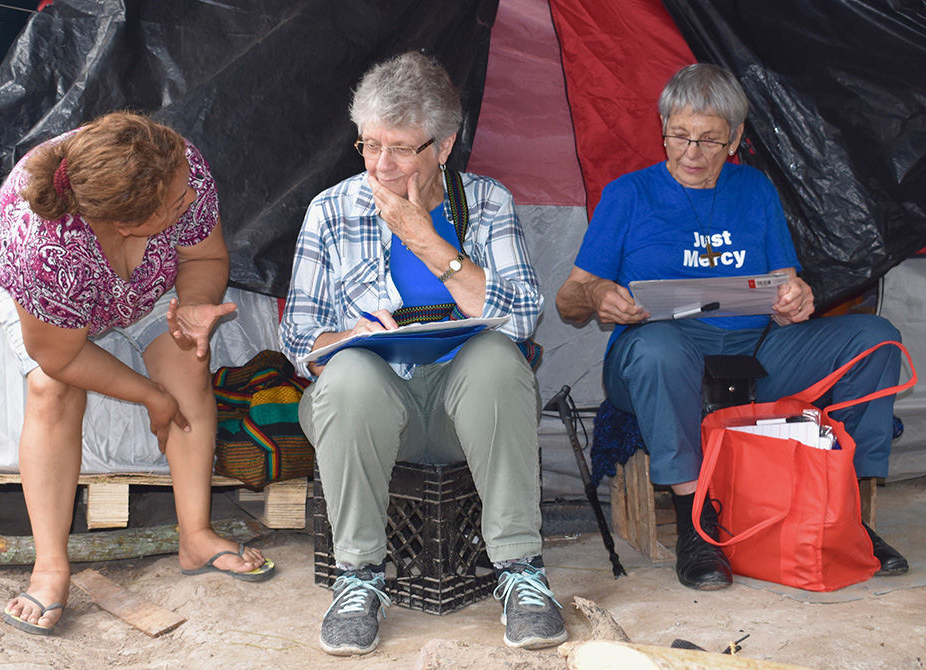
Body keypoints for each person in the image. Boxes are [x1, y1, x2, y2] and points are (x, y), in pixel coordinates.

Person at [556, 63, 907, 591]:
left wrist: (796, 297)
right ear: (663, 127)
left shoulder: (756, 190)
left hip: (755, 355)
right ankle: (698, 525)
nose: (692, 153)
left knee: (876, 339)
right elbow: (568, 301)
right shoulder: (629, 195)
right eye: (680, 136)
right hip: (656, 361)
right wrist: (601, 295)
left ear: (737, 139)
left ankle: (845, 514)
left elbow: (784, 283)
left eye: (710, 141)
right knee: (660, 349)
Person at [280, 52, 566, 655]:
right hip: (372, 416)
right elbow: (298, 337)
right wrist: (345, 339)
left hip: (470, 416)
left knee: (495, 355)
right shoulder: (333, 209)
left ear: (444, 145)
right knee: (351, 371)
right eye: (368, 145)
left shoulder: (485, 203)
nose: (382, 165)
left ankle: (521, 572)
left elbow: (521, 317)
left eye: (402, 148)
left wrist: (430, 244)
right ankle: (357, 577)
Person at [0, 111, 274, 636]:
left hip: (146, 286)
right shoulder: (44, 249)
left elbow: (204, 254)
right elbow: (62, 357)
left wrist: (196, 304)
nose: (191, 200)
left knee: (190, 368)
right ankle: (50, 566)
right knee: (54, 390)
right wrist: (149, 396)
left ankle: (196, 536)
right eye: (177, 206)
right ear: (127, 223)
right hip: (57, 306)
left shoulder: (176, 166)